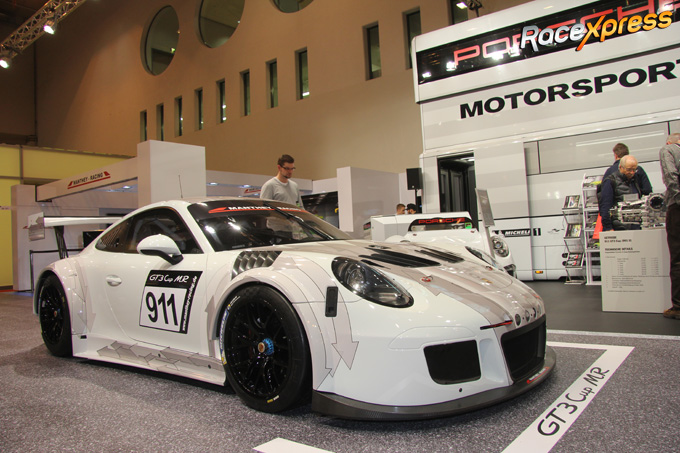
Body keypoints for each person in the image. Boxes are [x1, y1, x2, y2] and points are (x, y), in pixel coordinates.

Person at [598, 155, 652, 231]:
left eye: (634, 169)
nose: (632, 172)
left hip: (636, 226)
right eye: (629, 169)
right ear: (620, 167)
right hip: (618, 227)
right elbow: (605, 206)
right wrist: (608, 228)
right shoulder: (610, 181)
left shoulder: (636, 179)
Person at [660, 133, 680, 320]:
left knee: (678, 258)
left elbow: (670, 175)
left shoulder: (668, 149)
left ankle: (678, 307)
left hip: (677, 208)